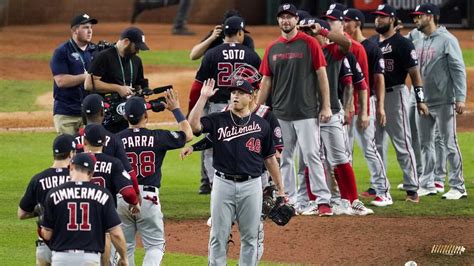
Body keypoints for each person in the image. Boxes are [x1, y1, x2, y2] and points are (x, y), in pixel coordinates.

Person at [188, 78, 286, 265]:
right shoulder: (218, 119)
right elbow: (193, 127)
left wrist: (281, 190)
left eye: (240, 93)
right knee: (218, 235)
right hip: (222, 184)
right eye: (233, 92)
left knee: (251, 237)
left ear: (250, 97)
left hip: (252, 185)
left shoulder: (262, 125)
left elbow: (270, 159)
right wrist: (202, 98)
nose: (235, 96)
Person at [257, 3, 333, 215]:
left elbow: (321, 75)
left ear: (297, 20)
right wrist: (258, 109)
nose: (286, 21)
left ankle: (322, 200)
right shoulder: (273, 48)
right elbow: (266, 81)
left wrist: (325, 105)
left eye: (290, 17)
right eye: (282, 17)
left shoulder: (310, 44)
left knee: (311, 155)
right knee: (284, 157)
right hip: (280, 113)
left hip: (306, 111)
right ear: (278, 20)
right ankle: (287, 198)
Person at [116, 91, 192, 265]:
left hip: (122, 197)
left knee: (124, 247)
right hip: (149, 199)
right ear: (146, 116)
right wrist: (176, 110)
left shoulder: (115, 140)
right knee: (155, 246)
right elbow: (188, 134)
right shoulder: (157, 137)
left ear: (126, 116)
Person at [188, 15, 261, 194]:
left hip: (216, 107)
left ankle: (215, 185)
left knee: (212, 147)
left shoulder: (212, 54)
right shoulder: (251, 54)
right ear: (239, 32)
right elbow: (260, 84)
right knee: (244, 143)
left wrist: (192, 111)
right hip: (243, 106)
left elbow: (197, 86)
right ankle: (250, 183)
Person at [369, 4, 429, 203]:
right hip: (374, 98)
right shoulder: (370, 43)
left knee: (402, 142)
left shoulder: (403, 44)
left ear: (392, 19)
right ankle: (378, 186)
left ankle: (412, 188)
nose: (378, 20)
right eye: (377, 17)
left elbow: (415, 74)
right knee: (375, 144)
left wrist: (420, 99)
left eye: (382, 17)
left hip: (395, 96)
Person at [410, 3, 467, 199]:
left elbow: (458, 69)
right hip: (423, 101)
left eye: (419, 16)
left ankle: (458, 186)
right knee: (426, 144)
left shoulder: (447, 40)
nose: (416, 19)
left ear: (431, 16)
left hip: (443, 101)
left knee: (449, 143)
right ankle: (427, 183)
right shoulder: (417, 37)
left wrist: (460, 97)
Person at [40, 153, 128, 266]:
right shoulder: (103, 195)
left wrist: (41, 227)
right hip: (89, 258)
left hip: (61, 258)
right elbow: (116, 234)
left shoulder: (53, 194)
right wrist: (124, 258)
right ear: (91, 174)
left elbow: (47, 235)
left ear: (71, 167)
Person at [343, 8, 392, 206]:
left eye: (347, 21)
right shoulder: (339, 47)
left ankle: (384, 191)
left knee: (369, 149)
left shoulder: (368, 48)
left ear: (356, 23)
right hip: (346, 107)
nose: (344, 24)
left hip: (363, 105)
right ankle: (348, 195)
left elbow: (373, 81)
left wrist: (376, 107)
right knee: (345, 152)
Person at [18, 134, 76, 266]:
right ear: (71, 154)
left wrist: (40, 212)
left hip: (44, 246)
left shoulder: (38, 179)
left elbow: (21, 214)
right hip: (71, 245)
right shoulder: (77, 178)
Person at [84, 27, 149, 133]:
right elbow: (88, 84)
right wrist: (118, 88)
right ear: (126, 42)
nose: (137, 51)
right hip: (106, 118)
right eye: (136, 47)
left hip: (127, 118)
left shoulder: (136, 60)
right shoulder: (104, 57)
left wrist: (143, 92)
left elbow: (138, 84)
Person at [50, 13, 98, 135]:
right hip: (66, 113)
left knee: (91, 152)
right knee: (68, 152)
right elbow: (61, 81)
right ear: (75, 30)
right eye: (86, 27)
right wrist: (85, 77)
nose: (90, 31)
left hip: (90, 113)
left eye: (91, 28)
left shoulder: (96, 50)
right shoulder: (62, 51)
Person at [189, 9, 255, 60]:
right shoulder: (215, 36)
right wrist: (211, 38)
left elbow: (251, 61)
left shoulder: (246, 40)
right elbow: (193, 56)